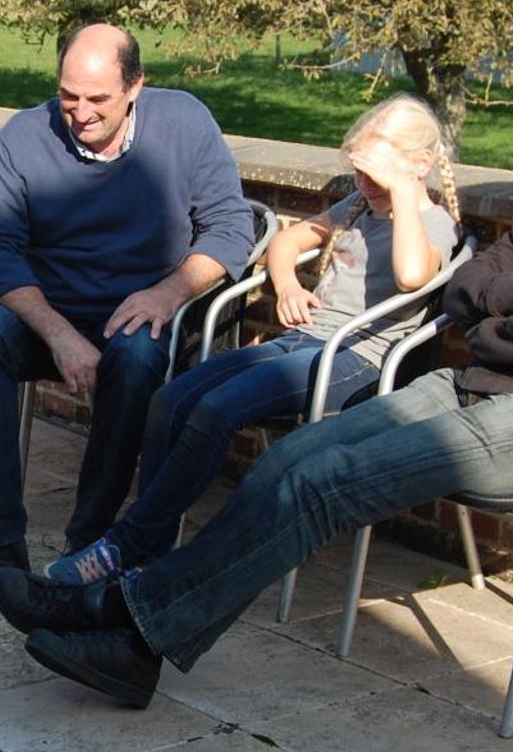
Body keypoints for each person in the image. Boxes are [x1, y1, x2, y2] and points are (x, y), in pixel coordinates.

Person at [0, 4, 513, 708]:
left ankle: (126, 627)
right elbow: (469, 288)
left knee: (326, 481)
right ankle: (129, 611)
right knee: (291, 459)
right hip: (474, 386)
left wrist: (506, 318)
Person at [45, 93, 462, 584]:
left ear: (420, 165)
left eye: (377, 173)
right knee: (173, 397)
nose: (365, 183)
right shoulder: (359, 205)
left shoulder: (431, 222)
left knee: (217, 409)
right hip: (303, 343)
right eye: (359, 171)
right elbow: (285, 242)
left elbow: (413, 275)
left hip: (355, 361)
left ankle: (129, 547)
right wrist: (287, 284)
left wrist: (406, 192)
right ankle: (145, 547)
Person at [0, 23, 257, 595]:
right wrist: (59, 333)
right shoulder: (24, 135)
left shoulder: (184, 122)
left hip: (140, 312)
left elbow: (232, 226)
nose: (81, 113)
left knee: (138, 359)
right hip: (47, 311)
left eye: (98, 100)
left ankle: (91, 541)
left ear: (135, 86)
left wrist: (168, 292)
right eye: (69, 97)